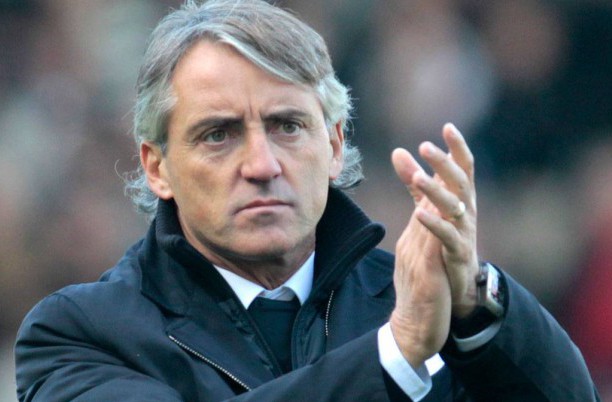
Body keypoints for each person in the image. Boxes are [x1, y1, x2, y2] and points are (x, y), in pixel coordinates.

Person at [15, 0, 599, 401]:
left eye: (288, 126)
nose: (262, 164)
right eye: (218, 134)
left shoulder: (424, 302)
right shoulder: (79, 333)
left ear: (336, 146)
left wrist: (476, 299)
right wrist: (393, 355)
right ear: (157, 167)